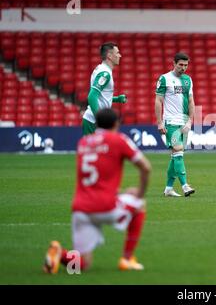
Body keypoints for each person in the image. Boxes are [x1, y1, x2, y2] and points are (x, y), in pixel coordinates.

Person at [43, 109, 151, 273]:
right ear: (116, 123)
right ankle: (127, 259)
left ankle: (59, 253)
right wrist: (139, 193)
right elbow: (146, 167)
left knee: (82, 265)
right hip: (106, 206)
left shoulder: (84, 142)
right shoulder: (118, 139)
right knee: (140, 204)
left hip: (80, 209)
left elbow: (96, 175)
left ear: (97, 124)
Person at [155, 52, 195, 197]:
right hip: (170, 122)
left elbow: (191, 102)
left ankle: (168, 188)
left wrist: (190, 120)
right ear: (174, 63)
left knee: (176, 155)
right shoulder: (164, 79)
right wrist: (159, 122)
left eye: (186, 65)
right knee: (177, 150)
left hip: (184, 123)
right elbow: (158, 101)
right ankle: (185, 185)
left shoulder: (188, 80)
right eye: (181, 65)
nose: (183, 68)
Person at [82, 42, 127, 135]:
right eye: (117, 53)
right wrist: (99, 119)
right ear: (109, 56)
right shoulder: (105, 74)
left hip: (92, 120)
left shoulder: (102, 69)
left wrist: (116, 99)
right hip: (93, 121)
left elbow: (99, 96)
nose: (120, 55)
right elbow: (92, 96)